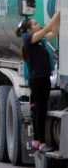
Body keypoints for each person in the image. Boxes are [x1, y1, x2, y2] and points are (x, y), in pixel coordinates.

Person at [17, 11, 60, 153]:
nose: (38, 25)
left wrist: (59, 18)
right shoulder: (29, 39)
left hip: (42, 78)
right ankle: (40, 142)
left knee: (38, 111)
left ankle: (36, 140)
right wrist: (59, 11)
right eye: (35, 24)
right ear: (29, 30)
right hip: (38, 80)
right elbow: (47, 29)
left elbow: (53, 32)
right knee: (41, 111)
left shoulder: (39, 41)